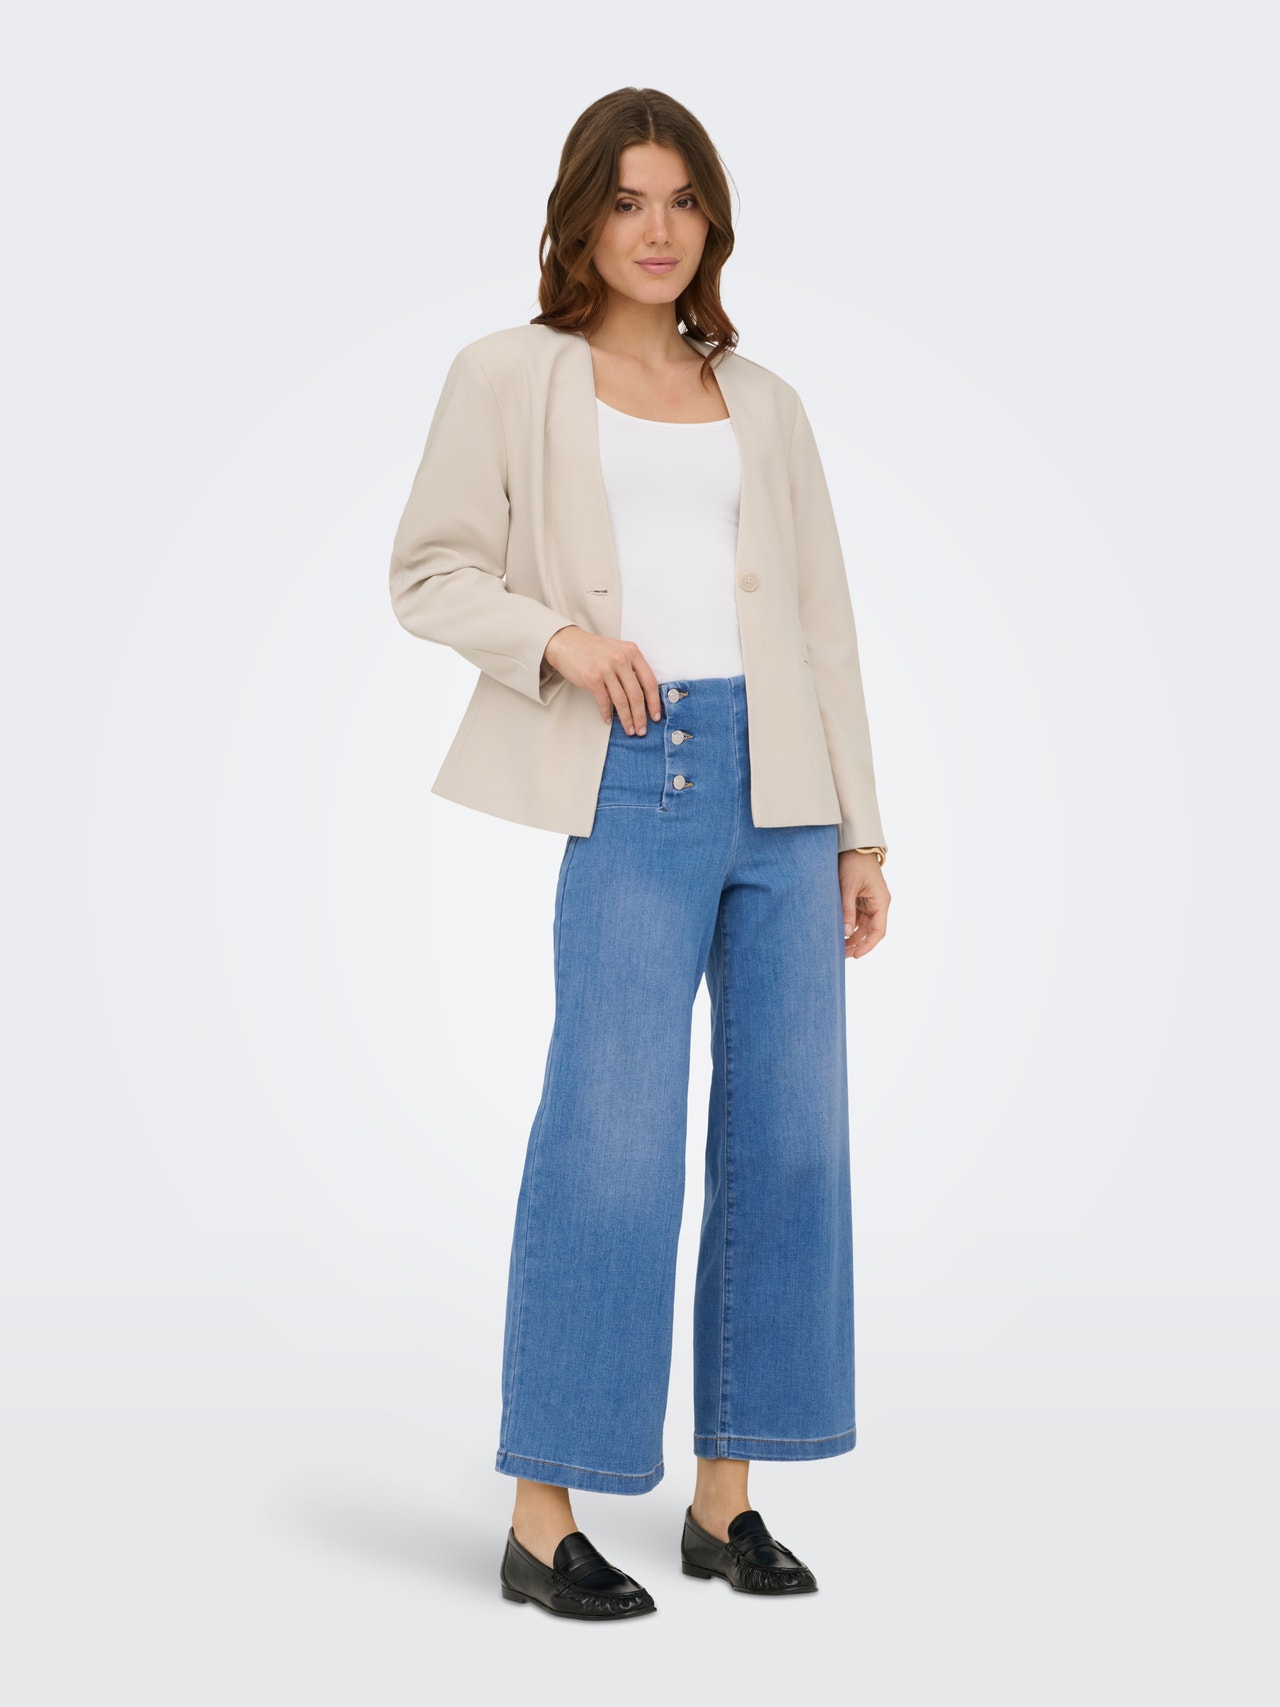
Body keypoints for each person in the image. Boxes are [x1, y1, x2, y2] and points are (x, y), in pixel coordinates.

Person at [389, 86, 891, 1621]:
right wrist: (560, 639)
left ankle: (725, 1504)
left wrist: (862, 829)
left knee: (789, 1141)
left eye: (681, 201)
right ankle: (543, 1518)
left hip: (784, 791)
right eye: (627, 201)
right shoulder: (508, 374)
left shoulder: (766, 401)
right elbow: (428, 570)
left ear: (710, 222)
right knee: (610, 1140)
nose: (657, 229)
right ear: (582, 221)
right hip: (632, 776)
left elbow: (822, 623)